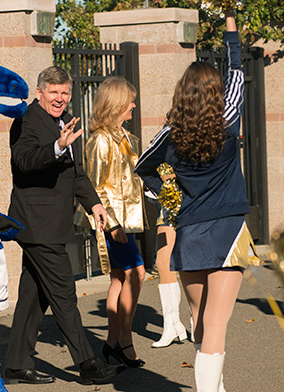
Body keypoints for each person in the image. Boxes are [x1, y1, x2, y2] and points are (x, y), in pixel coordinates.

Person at [135, 10, 260, 392]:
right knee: (216, 328)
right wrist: (229, 20)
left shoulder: (171, 131)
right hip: (226, 231)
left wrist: (167, 192)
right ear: (216, 92)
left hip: (188, 231)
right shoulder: (229, 115)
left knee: (200, 323)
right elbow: (236, 68)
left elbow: (143, 167)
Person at [4, 66, 119, 385]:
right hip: (36, 223)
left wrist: (94, 203)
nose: (60, 98)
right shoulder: (25, 121)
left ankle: (16, 364)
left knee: (33, 294)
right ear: (39, 92)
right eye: (53, 92)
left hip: (50, 223)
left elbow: (74, 171)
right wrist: (55, 147)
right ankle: (87, 363)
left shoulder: (62, 122)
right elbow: (23, 161)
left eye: (65, 93)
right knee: (64, 293)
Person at [74, 76, 146, 367]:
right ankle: (124, 340)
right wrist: (113, 224)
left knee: (119, 277)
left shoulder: (126, 137)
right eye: (129, 100)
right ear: (116, 104)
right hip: (111, 222)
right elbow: (95, 185)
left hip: (127, 219)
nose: (134, 105)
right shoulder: (100, 140)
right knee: (137, 273)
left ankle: (113, 341)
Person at [152, 208, 188, 348]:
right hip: (168, 206)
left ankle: (196, 320)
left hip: (194, 202)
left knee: (191, 261)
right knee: (162, 262)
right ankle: (171, 324)